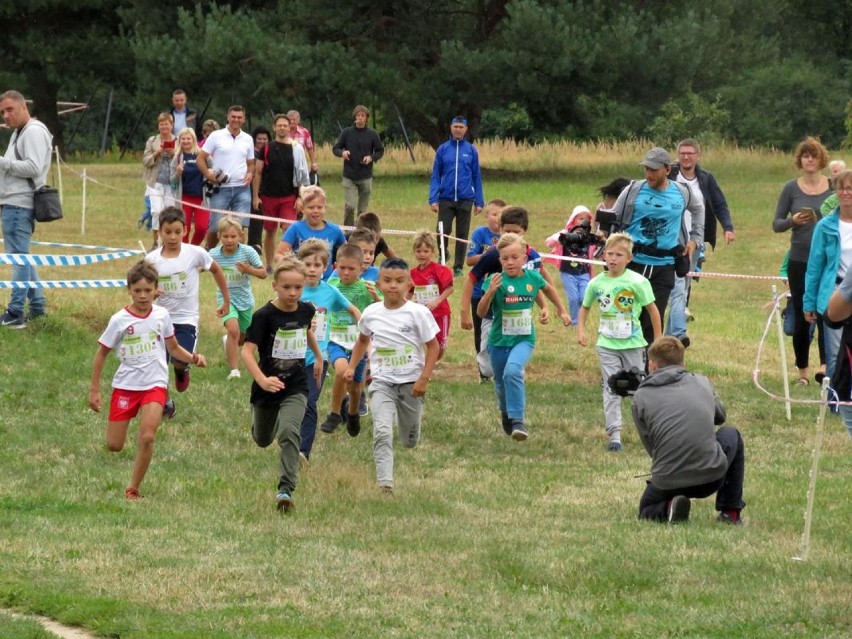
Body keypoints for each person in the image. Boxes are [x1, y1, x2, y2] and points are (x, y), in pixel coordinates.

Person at [89, 261, 208, 500]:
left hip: (154, 383)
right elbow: (102, 353)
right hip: (125, 386)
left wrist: (192, 358)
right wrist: (94, 390)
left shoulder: (162, 315)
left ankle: (133, 489)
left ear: (156, 290)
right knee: (114, 445)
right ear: (129, 290)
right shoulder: (119, 320)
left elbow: (172, 346)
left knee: (147, 436)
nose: (143, 296)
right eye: (137, 291)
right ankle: (126, 433)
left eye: (148, 290)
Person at [344, 258, 440, 494]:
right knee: (383, 430)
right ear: (379, 283)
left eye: (399, 281)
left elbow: (434, 347)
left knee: (409, 441)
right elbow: (362, 341)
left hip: (411, 383)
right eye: (387, 281)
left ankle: (411, 429)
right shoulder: (371, 313)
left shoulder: (418, 313)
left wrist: (423, 379)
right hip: (382, 382)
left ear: (409, 284)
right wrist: (352, 365)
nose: (393, 286)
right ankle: (385, 483)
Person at [631, 336, 746, 525]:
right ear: (682, 362)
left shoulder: (641, 396)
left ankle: (668, 508)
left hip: (668, 479)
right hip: (711, 477)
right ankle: (731, 512)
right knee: (731, 434)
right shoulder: (701, 381)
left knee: (646, 510)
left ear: (651, 365)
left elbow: (650, 444)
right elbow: (720, 416)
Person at [241, 255, 323, 512]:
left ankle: (285, 489)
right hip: (267, 387)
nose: (292, 292)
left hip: (296, 385)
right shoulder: (264, 316)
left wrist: (319, 356)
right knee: (263, 439)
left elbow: (305, 330)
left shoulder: (306, 309)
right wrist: (262, 380)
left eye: (297, 287)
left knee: (289, 432)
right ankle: (265, 420)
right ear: (275, 285)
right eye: (286, 287)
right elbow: (247, 351)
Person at [478, 233, 571, 440]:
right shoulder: (495, 280)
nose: (510, 262)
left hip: (524, 339)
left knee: (513, 371)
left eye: (514, 257)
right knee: (501, 383)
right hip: (498, 341)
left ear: (524, 258)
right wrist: (490, 292)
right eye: (505, 258)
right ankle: (506, 413)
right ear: (499, 259)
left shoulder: (532, 277)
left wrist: (559, 310)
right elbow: (481, 311)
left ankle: (518, 421)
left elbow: (548, 289)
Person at [610, 147, 704, 346]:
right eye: (646, 169)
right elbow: (613, 216)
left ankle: (647, 368)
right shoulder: (633, 190)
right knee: (626, 317)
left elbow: (698, 209)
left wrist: (695, 239)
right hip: (633, 263)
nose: (649, 174)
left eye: (654, 169)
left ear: (667, 169)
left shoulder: (682, 192)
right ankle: (622, 363)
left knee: (653, 320)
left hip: (665, 266)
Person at [460, 206, 565, 382]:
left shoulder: (531, 256)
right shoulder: (493, 255)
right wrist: (464, 311)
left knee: (514, 358)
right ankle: (488, 374)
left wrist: (547, 306)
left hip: (517, 313)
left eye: (516, 232)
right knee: (488, 364)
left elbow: (537, 281)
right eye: (506, 231)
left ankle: (513, 374)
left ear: (524, 231)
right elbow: (471, 279)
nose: (511, 235)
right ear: (500, 229)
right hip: (490, 312)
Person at [577, 232, 661, 452]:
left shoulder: (638, 282)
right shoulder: (596, 283)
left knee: (636, 389)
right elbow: (585, 308)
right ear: (603, 255)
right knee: (611, 386)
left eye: (619, 255)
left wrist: (658, 340)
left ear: (629, 259)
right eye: (610, 254)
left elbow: (653, 310)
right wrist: (581, 330)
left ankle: (649, 431)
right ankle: (614, 436)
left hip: (633, 344)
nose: (613, 259)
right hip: (606, 344)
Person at [145, 207, 229, 416]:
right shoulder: (152, 259)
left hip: (186, 318)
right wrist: (152, 293)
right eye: (167, 232)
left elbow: (216, 270)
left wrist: (226, 300)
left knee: (179, 358)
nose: (172, 236)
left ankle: (182, 369)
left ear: (185, 230)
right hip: (158, 319)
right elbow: (143, 287)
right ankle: (166, 403)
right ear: (160, 232)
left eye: (177, 231)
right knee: (157, 365)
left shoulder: (195, 253)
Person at [772, 136, 833, 385]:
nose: (809, 159)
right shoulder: (790, 188)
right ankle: (802, 373)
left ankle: (825, 367)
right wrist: (792, 221)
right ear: (800, 160)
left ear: (821, 159)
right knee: (801, 315)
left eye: (814, 155)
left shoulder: (833, 186)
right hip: (799, 259)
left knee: (826, 314)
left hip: (829, 259)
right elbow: (776, 224)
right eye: (805, 155)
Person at [296, 239, 360, 463]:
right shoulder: (294, 289)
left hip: (317, 359)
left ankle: (303, 452)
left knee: (309, 402)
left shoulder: (330, 293)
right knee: (288, 401)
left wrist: (368, 330)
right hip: (290, 357)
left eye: (317, 265)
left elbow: (353, 310)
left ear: (326, 268)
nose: (312, 269)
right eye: (307, 264)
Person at [666, 139, 735, 345]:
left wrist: (728, 227)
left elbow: (720, 203)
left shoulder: (705, 179)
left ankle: (669, 339)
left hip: (694, 242)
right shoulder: (669, 175)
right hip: (670, 241)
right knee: (678, 288)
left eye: (690, 153)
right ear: (678, 155)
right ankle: (678, 334)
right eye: (682, 153)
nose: (686, 157)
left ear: (698, 156)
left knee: (684, 287)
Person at [0, 89, 52, 328]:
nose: (5, 115)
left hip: (20, 204)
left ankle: (15, 312)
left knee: (18, 258)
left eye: (10, 109)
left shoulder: (32, 131)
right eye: (2, 112)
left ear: (23, 107)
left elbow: (33, 167)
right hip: (13, 203)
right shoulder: (20, 132)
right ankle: (38, 306)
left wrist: (3, 163)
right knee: (22, 256)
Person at [319, 243, 381, 436]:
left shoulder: (366, 289)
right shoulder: (331, 286)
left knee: (354, 388)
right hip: (335, 339)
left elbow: (383, 310)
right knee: (341, 372)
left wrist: (376, 298)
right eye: (342, 268)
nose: (345, 272)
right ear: (335, 266)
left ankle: (353, 412)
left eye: (351, 269)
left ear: (362, 268)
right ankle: (335, 413)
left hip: (357, 343)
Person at [804, 169, 852, 389]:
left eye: (850, 188)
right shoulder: (825, 227)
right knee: (834, 355)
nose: (845, 193)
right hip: (834, 292)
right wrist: (810, 303)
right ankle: (835, 401)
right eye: (841, 188)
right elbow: (814, 268)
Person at [209, 216, 266, 380]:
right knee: (233, 329)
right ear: (219, 236)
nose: (229, 240)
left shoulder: (248, 252)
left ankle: (229, 342)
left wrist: (248, 270)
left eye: (233, 236)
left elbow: (263, 273)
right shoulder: (214, 254)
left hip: (245, 301)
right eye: (225, 236)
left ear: (241, 236)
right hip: (225, 300)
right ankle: (234, 371)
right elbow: (199, 265)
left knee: (242, 337)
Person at [428, 116, 485, 276]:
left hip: (465, 198)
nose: (458, 130)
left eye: (461, 127)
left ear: (466, 130)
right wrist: (433, 198)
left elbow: (476, 176)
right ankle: (443, 255)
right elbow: (436, 176)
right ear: (451, 128)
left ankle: (458, 266)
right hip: (445, 198)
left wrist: (479, 201)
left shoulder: (471, 151)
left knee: (462, 233)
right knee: (442, 230)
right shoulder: (443, 150)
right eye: (455, 127)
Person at [253, 114, 310, 271]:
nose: (282, 128)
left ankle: (287, 263)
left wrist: (300, 197)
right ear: (274, 127)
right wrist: (255, 196)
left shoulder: (296, 149)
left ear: (289, 127)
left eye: (285, 125)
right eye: (280, 125)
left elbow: (302, 175)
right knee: (270, 231)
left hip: (289, 197)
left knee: (288, 229)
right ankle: (270, 264)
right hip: (268, 196)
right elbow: (257, 173)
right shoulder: (266, 148)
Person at [197, 105, 255, 249]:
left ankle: (239, 259)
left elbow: (251, 163)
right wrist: (208, 174)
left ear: (244, 119)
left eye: (239, 117)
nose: (236, 120)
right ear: (228, 117)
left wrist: (250, 174)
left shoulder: (248, 139)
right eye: (233, 117)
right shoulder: (216, 136)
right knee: (215, 226)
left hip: (242, 188)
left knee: (241, 227)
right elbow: (200, 158)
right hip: (220, 188)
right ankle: (208, 254)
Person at [275, 186, 346, 280]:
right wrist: (293, 266)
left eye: (319, 207)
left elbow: (348, 253)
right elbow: (278, 254)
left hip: (327, 282)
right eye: (311, 207)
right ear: (303, 208)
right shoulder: (295, 228)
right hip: (302, 281)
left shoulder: (334, 230)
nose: (315, 211)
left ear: (325, 208)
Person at [544, 205, 598, 325]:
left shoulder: (589, 238)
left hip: (584, 273)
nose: (583, 222)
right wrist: (561, 237)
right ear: (573, 220)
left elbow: (597, 251)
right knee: (573, 298)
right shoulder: (566, 234)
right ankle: (575, 323)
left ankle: (581, 320)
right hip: (568, 272)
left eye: (587, 219)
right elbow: (549, 242)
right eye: (580, 218)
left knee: (584, 298)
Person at [332, 105, 384, 227]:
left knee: (362, 210)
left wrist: (371, 157)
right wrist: (342, 153)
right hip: (349, 175)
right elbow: (336, 148)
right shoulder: (347, 133)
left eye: (363, 116)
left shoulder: (372, 134)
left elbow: (380, 150)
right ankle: (348, 231)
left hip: (365, 175)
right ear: (354, 117)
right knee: (350, 206)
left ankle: (360, 231)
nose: (360, 118)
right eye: (358, 115)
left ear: (366, 118)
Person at [465, 198, 504, 361]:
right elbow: (469, 260)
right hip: (479, 291)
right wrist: (489, 255)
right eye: (494, 214)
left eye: (501, 214)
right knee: (481, 331)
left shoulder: (508, 236)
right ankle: (483, 370)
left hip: (501, 291)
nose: (497, 218)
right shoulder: (480, 233)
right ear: (487, 215)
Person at [410, 230, 454, 361]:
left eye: (426, 251)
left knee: (439, 346)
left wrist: (437, 301)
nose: (422, 254)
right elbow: (410, 291)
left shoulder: (440, 270)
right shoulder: (412, 273)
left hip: (440, 313)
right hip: (422, 314)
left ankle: (431, 363)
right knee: (419, 341)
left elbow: (450, 288)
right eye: (418, 251)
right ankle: (424, 367)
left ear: (433, 252)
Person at [142, 112, 177, 250]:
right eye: (161, 124)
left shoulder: (179, 140)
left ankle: (168, 241)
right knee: (156, 212)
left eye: (166, 124)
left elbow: (182, 159)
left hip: (172, 183)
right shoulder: (152, 141)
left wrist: (172, 152)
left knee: (170, 213)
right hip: (155, 182)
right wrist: (157, 153)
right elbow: (146, 161)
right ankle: (156, 242)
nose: (164, 127)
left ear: (171, 125)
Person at [169, 127, 208, 245]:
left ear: (194, 140)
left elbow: (213, 168)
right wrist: (178, 173)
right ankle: (184, 248)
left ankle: (194, 247)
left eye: (188, 139)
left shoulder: (202, 155)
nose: (186, 141)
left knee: (202, 228)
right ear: (179, 141)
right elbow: (172, 180)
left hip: (202, 199)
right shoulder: (177, 158)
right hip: (185, 198)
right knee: (184, 228)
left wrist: (210, 173)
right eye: (183, 139)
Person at [246, 125, 271, 255]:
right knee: (254, 216)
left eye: (264, 139)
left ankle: (256, 244)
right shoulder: (250, 153)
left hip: (266, 188)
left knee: (260, 217)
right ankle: (253, 244)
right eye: (259, 138)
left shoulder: (270, 152)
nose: (262, 141)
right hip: (251, 187)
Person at [286, 110, 319, 180]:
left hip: (300, 164)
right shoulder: (283, 131)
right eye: (290, 119)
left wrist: (313, 162)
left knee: (301, 186)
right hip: (285, 163)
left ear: (298, 120)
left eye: (294, 119)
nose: (292, 121)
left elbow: (310, 149)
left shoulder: (305, 132)